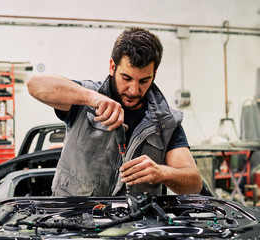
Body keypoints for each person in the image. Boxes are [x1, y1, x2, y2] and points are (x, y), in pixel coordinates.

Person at [27, 27, 202, 196]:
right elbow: (35, 84)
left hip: (134, 224)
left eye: (144, 81)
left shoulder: (165, 122)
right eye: (127, 78)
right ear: (112, 67)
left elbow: (194, 183)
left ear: (154, 74)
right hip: (75, 220)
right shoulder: (83, 101)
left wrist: (162, 172)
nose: (134, 90)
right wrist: (92, 98)